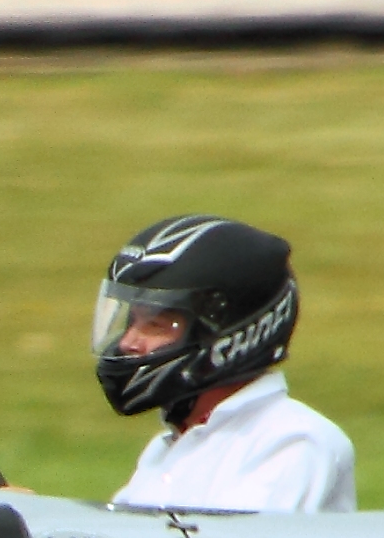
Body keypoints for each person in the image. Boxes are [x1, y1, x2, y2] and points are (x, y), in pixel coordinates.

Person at [96, 215, 356, 514]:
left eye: (155, 325)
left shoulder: (294, 441)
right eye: (133, 321)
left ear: (223, 333)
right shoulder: (168, 447)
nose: (129, 342)